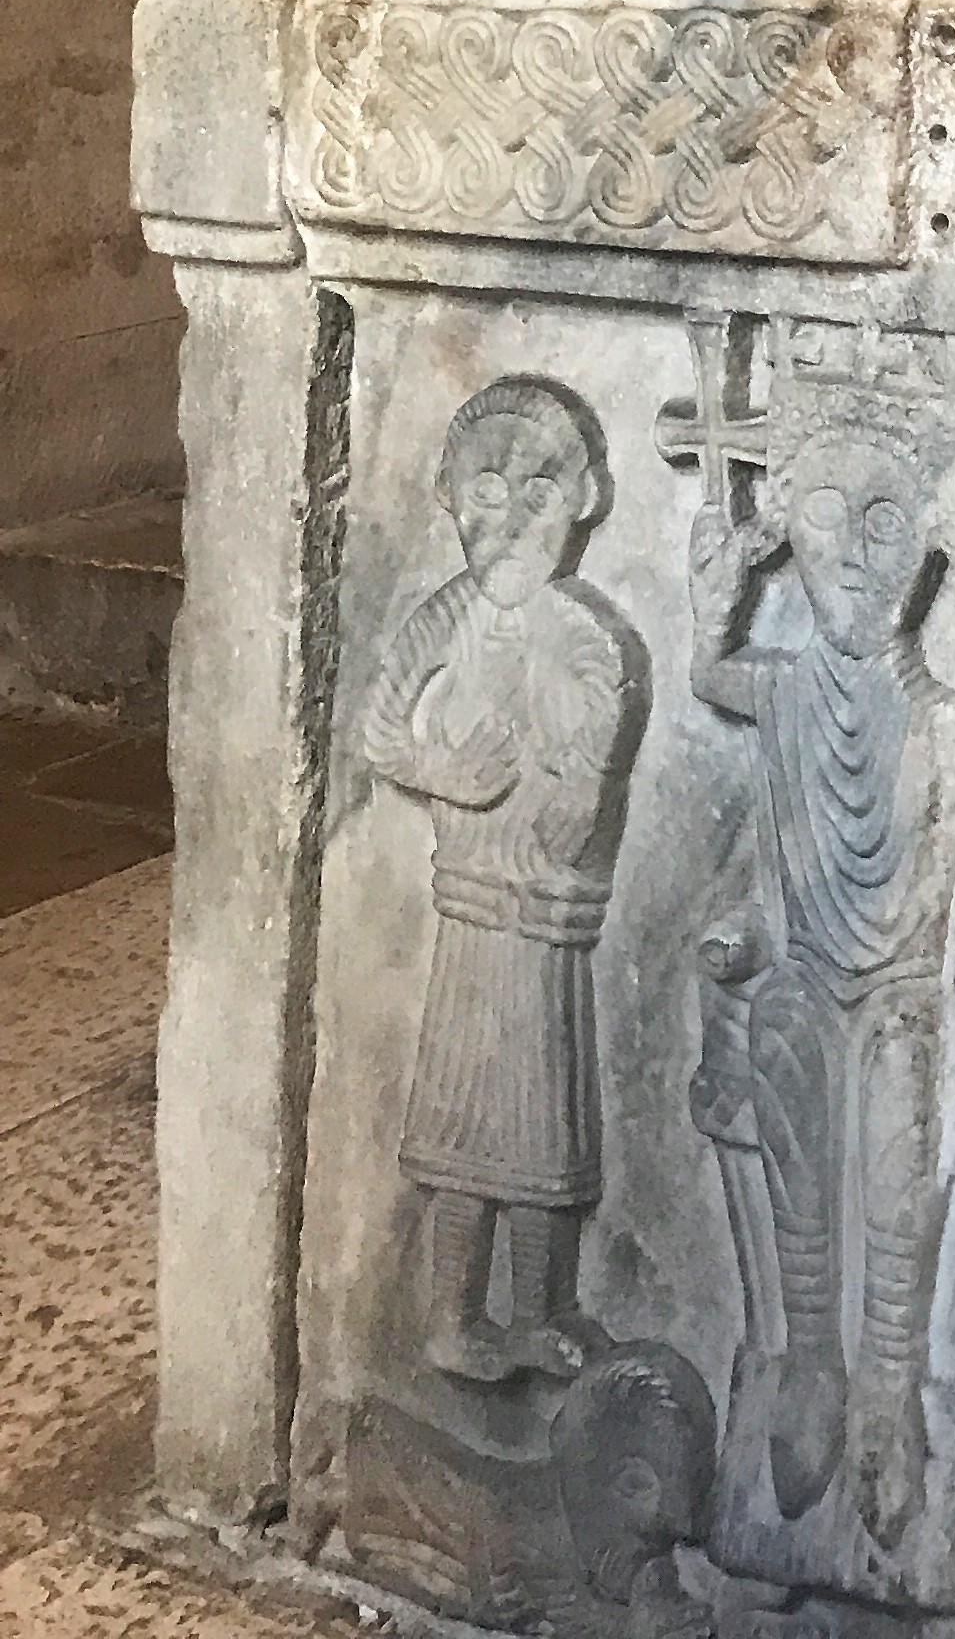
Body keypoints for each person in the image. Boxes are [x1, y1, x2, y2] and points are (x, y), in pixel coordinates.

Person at [362, 377, 645, 1385]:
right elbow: (381, 729)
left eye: (541, 491)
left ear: (586, 501)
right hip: (475, 911)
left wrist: (580, 787)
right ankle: (450, 1316)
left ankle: (534, 1312)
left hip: (547, 914)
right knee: (462, 1121)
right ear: (449, 496)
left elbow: (601, 743)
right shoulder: (449, 613)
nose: (515, 520)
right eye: (488, 491)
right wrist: (442, 770)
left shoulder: (585, 633)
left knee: (544, 1128)